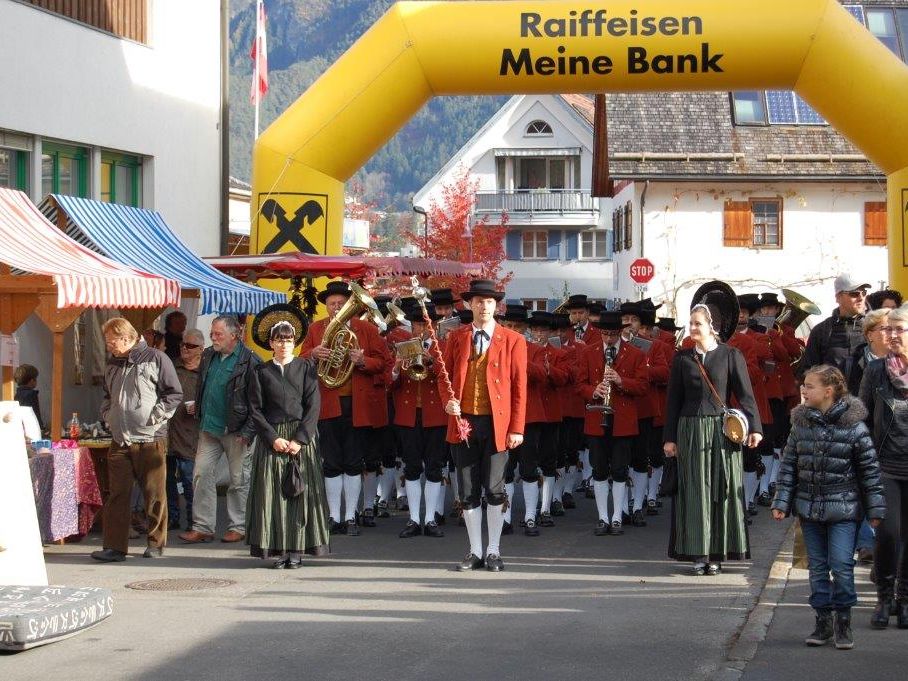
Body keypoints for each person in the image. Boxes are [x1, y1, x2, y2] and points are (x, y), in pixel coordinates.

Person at [772, 365, 884, 650]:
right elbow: (789, 467)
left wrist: (875, 511)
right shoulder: (801, 425)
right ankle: (823, 620)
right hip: (810, 508)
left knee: (842, 566)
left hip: (844, 509)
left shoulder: (855, 428)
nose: (804, 391)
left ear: (829, 391)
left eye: (809, 386)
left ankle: (843, 619)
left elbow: (869, 472)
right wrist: (782, 502)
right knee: (818, 568)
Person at [663, 299, 763, 576]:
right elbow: (672, 401)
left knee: (721, 492)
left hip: (722, 432)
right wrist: (669, 438)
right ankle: (698, 554)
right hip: (690, 432)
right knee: (694, 494)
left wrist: (755, 428)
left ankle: (716, 554)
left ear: (712, 327)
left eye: (698, 323)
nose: (692, 327)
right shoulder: (682, 358)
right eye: (691, 323)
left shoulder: (731, 356)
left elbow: (746, 395)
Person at [443, 279, 527, 572]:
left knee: (494, 488)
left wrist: (516, 428)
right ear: (469, 305)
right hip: (464, 421)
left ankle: (493, 550)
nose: (484, 306)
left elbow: (519, 387)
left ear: (497, 305)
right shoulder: (456, 337)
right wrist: (447, 402)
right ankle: (474, 550)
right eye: (478, 301)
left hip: (497, 423)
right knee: (467, 490)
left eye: (489, 301)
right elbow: (445, 376)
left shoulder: (514, 340)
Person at [300, 280, 393, 536]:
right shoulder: (316, 329)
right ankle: (333, 516)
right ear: (326, 306)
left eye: (342, 304)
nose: (337, 308)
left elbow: (384, 363)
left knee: (353, 462)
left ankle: (350, 516)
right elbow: (300, 360)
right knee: (331, 462)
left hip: (357, 404)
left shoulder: (366, 329)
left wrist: (363, 360)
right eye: (333, 304)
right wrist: (313, 354)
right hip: (327, 402)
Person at [91, 318, 182, 562]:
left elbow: (174, 394)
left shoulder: (156, 358)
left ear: (127, 337)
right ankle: (114, 547)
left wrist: (155, 417)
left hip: (150, 438)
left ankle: (156, 543)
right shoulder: (112, 363)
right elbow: (107, 395)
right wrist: (108, 416)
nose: (109, 346)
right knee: (117, 494)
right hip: (120, 439)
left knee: (154, 493)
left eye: (112, 341)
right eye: (108, 341)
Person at [246, 321, 329, 568]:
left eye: (289, 340)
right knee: (273, 497)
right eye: (280, 340)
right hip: (273, 438)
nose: (284, 344)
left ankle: (297, 550)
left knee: (300, 495)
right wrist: (273, 438)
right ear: (271, 343)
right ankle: (280, 549)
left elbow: (313, 407)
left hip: (300, 437)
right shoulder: (261, 371)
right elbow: (255, 409)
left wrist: (300, 439)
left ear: (295, 342)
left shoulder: (306, 368)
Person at [180, 315, 260, 544]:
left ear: (234, 335)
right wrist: (200, 406)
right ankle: (203, 526)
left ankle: (239, 526)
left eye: (218, 334)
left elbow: (258, 402)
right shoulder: (208, 355)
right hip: (209, 427)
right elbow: (203, 385)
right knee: (201, 474)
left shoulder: (250, 360)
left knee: (238, 480)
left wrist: (248, 431)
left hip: (236, 430)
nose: (213, 338)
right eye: (212, 333)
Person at [859, 304, 908, 630]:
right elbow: (860, 416)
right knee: (887, 534)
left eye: (898, 329)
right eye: (887, 329)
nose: (890, 335)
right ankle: (884, 597)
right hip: (885, 465)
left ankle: (904, 600)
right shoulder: (875, 371)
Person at [580, 312, 648, 535]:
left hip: (623, 419)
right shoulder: (588, 352)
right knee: (599, 469)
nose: (609, 339)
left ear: (621, 332)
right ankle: (602, 517)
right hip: (597, 416)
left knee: (620, 469)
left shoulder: (636, 354)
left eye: (613, 334)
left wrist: (620, 381)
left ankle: (617, 517)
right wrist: (594, 390)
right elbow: (578, 385)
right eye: (605, 334)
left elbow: (642, 387)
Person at [392, 304, 447, 538]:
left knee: (434, 468)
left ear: (432, 326)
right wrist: (395, 368)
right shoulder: (401, 348)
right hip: (408, 415)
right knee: (412, 467)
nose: (420, 329)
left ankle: (431, 518)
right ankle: (414, 519)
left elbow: (449, 379)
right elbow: (390, 383)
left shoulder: (441, 348)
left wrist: (431, 362)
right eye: (416, 325)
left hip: (435, 416)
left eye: (425, 325)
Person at [166, 329, 204, 531]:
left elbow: (214, 399)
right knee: (166, 479)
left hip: (191, 434)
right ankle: (172, 517)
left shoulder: (205, 371)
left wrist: (200, 406)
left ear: (201, 349)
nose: (185, 348)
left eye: (190, 346)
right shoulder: (172, 366)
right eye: (183, 344)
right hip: (168, 431)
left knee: (189, 480)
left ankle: (193, 521)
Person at [801, 273, 870, 381]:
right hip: (833, 396)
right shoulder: (821, 331)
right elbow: (809, 371)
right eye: (854, 294)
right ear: (838, 297)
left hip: (866, 397)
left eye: (864, 293)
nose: (861, 298)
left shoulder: (874, 327)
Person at [14, 363, 45, 434]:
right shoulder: (31, 394)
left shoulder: (17, 394)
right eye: (35, 379)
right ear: (31, 380)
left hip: (20, 429)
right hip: (31, 429)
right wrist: (41, 427)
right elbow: (35, 413)